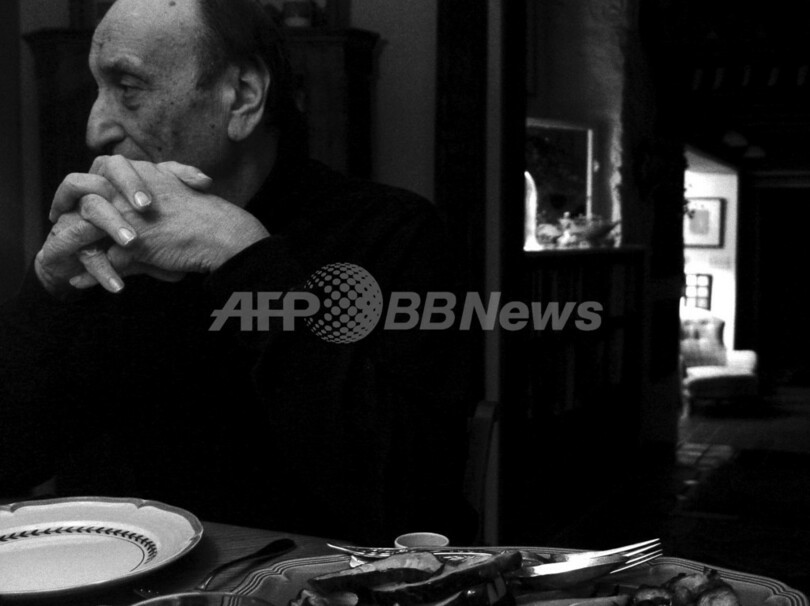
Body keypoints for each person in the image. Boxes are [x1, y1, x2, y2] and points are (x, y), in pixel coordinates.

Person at [0, 0, 476, 544]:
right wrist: (46, 289)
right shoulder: (112, 242)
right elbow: (10, 461)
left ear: (243, 97)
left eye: (128, 87)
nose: (96, 129)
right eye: (97, 89)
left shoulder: (394, 234)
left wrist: (244, 256)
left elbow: (412, 508)